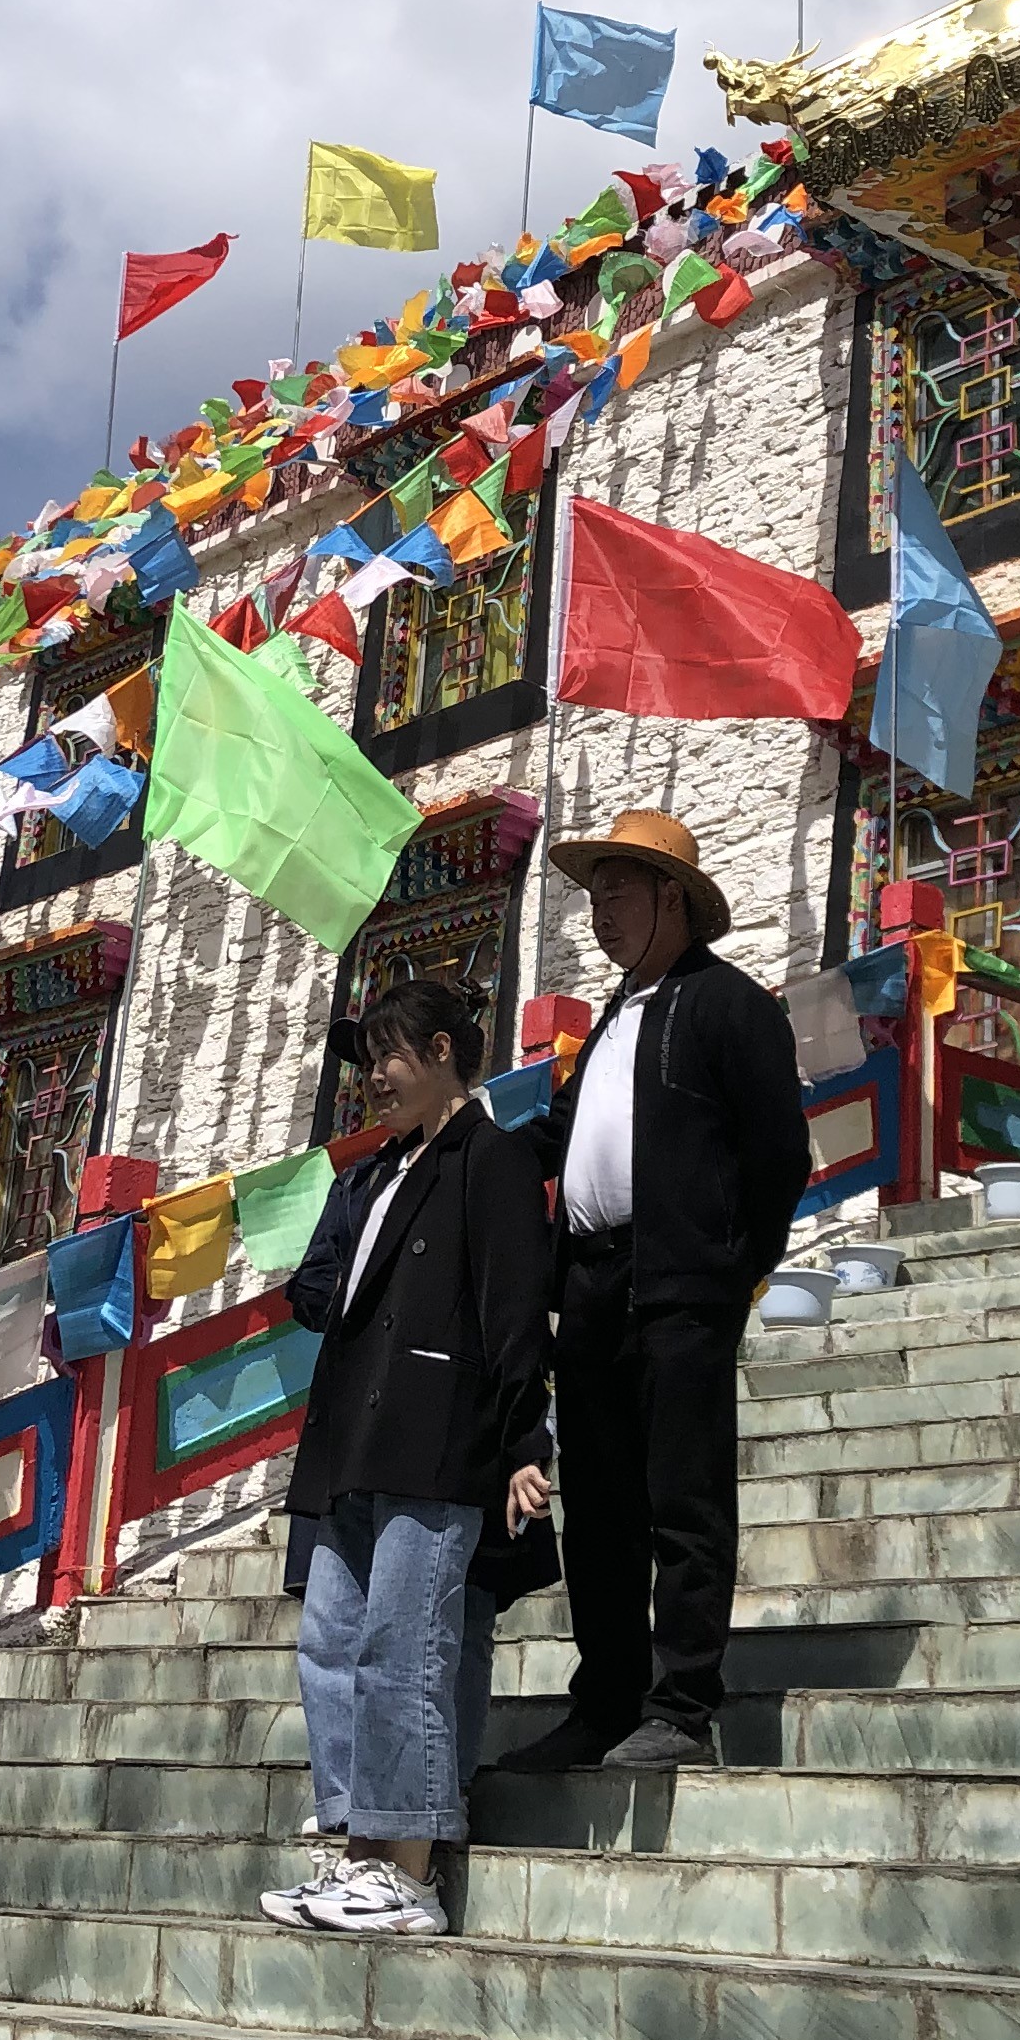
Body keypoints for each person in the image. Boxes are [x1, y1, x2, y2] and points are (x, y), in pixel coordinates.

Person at [495, 809, 808, 1774]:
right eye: (593, 896)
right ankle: (606, 1698)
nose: (602, 914)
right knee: (597, 1506)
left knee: (683, 1498)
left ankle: (682, 1704)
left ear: (674, 897)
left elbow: (778, 1158)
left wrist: (727, 1264)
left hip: (682, 1283)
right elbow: (556, 1137)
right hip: (588, 1286)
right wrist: (469, 1159)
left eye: (621, 891)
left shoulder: (731, 1006)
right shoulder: (608, 1025)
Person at [256, 977, 551, 1936]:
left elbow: (513, 1313)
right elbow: (326, 1289)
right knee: (331, 1642)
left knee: (405, 1648)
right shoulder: (372, 1176)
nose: (372, 1079)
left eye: (386, 1057)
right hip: (350, 1439)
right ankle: (356, 1850)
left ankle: (409, 1870)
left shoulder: (490, 1160)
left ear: (436, 1052)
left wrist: (523, 1442)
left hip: (437, 1439)